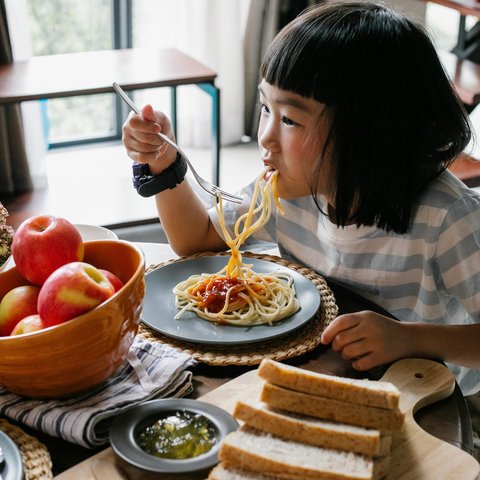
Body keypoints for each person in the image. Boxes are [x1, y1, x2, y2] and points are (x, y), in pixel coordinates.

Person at [122, 2, 480, 405]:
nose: (265, 138)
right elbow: (197, 240)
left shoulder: (446, 219)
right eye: (264, 109)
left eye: (290, 119)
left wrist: (409, 338)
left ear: (367, 134)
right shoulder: (287, 192)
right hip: (334, 378)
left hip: (437, 401)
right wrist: (163, 165)